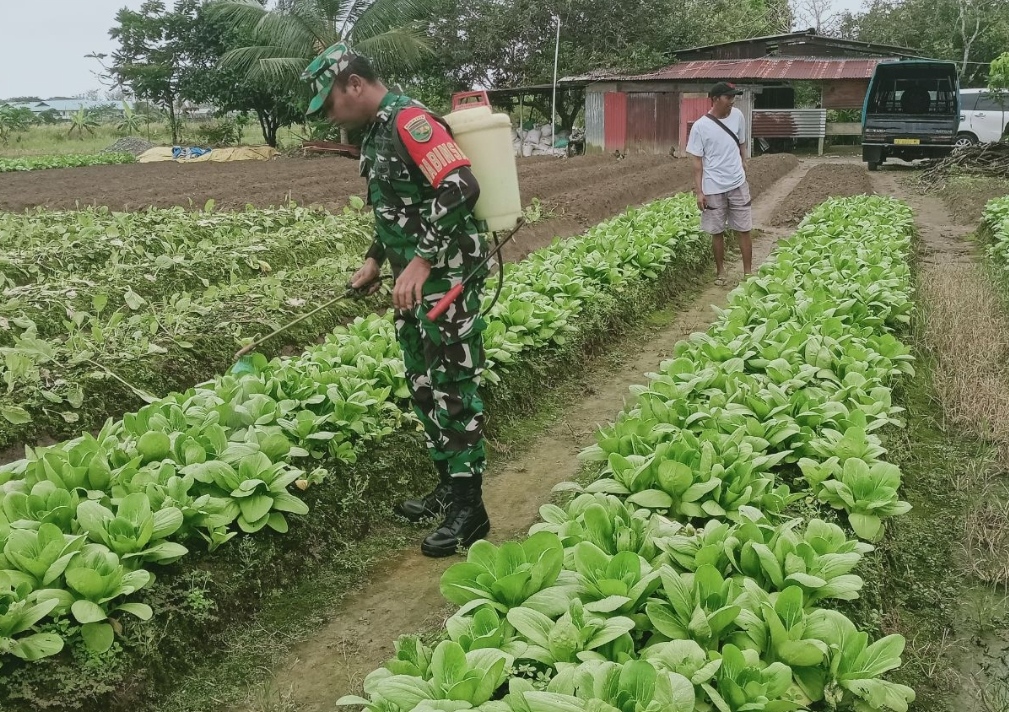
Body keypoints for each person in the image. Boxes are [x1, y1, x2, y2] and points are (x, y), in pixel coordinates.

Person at [301, 44, 491, 558]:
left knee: (453, 386)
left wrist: (423, 261)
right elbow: (396, 208)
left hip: (445, 279)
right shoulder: (376, 133)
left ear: (354, 85)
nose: (332, 116)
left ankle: (470, 509)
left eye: (332, 104)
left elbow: (460, 185)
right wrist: (374, 260)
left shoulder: (410, 121)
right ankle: (449, 489)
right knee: (424, 384)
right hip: (412, 287)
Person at [686, 81, 753, 286]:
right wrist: (699, 192)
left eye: (733, 97)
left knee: (744, 228)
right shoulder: (700, 127)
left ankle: (748, 273)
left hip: (737, 182)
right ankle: (720, 272)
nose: (732, 101)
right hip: (713, 185)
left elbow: (741, 141)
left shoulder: (738, 116)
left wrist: (743, 159)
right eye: (728, 97)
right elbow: (697, 163)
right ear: (715, 99)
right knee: (717, 231)